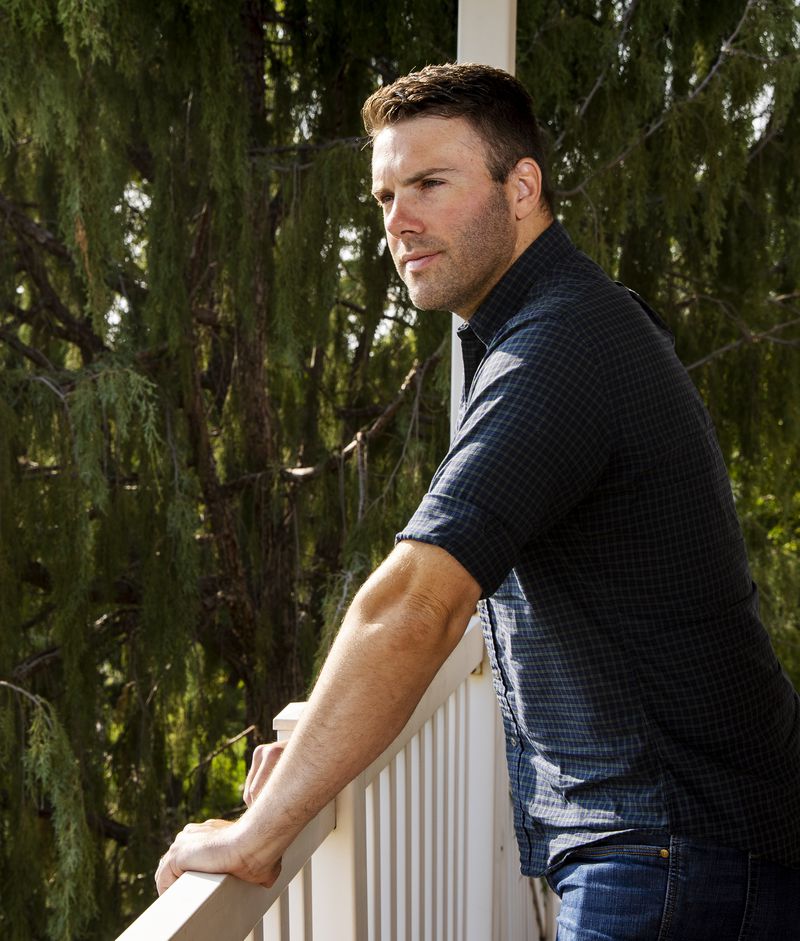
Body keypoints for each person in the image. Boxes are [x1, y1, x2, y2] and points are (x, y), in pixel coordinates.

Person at [156, 64, 800, 939]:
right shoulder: (562, 323)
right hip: (695, 842)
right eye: (384, 195)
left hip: (673, 854)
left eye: (429, 183)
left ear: (522, 185)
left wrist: (256, 835)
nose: (398, 220)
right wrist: (323, 732)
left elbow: (415, 602)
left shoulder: (560, 346)